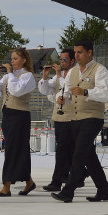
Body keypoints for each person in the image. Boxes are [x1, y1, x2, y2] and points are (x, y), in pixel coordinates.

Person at [50, 38, 108, 203]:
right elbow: (66, 92)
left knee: (79, 153)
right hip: (75, 118)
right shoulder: (73, 72)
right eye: (75, 52)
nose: (76, 56)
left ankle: (68, 190)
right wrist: (61, 98)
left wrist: (86, 92)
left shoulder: (99, 70)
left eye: (80, 52)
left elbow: (105, 94)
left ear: (89, 52)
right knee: (88, 156)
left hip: (93, 117)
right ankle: (103, 191)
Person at [0, 48, 37, 197]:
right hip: (8, 114)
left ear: (24, 60)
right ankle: (29, 181)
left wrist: (9, 74)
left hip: (20, 115)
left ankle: (6, 185)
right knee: (20, 150)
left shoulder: (28, 76)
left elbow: (16, 91)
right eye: (11, 58)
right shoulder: (9, 76)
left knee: (12, 149)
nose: (12, 61)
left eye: (15, 58)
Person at [39, 48, 78, 193]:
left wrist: (58, 76)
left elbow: (68, 87)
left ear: (72, 61)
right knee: (67, 150)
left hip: (71, 116)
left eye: (65, 59)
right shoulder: (58, 76)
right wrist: (44, 77)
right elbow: (46, 91)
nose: (61, 62)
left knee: (62, 150)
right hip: (59, 116)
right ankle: (77, 174)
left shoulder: (75, 74)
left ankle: (57, 181)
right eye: (61, 59)